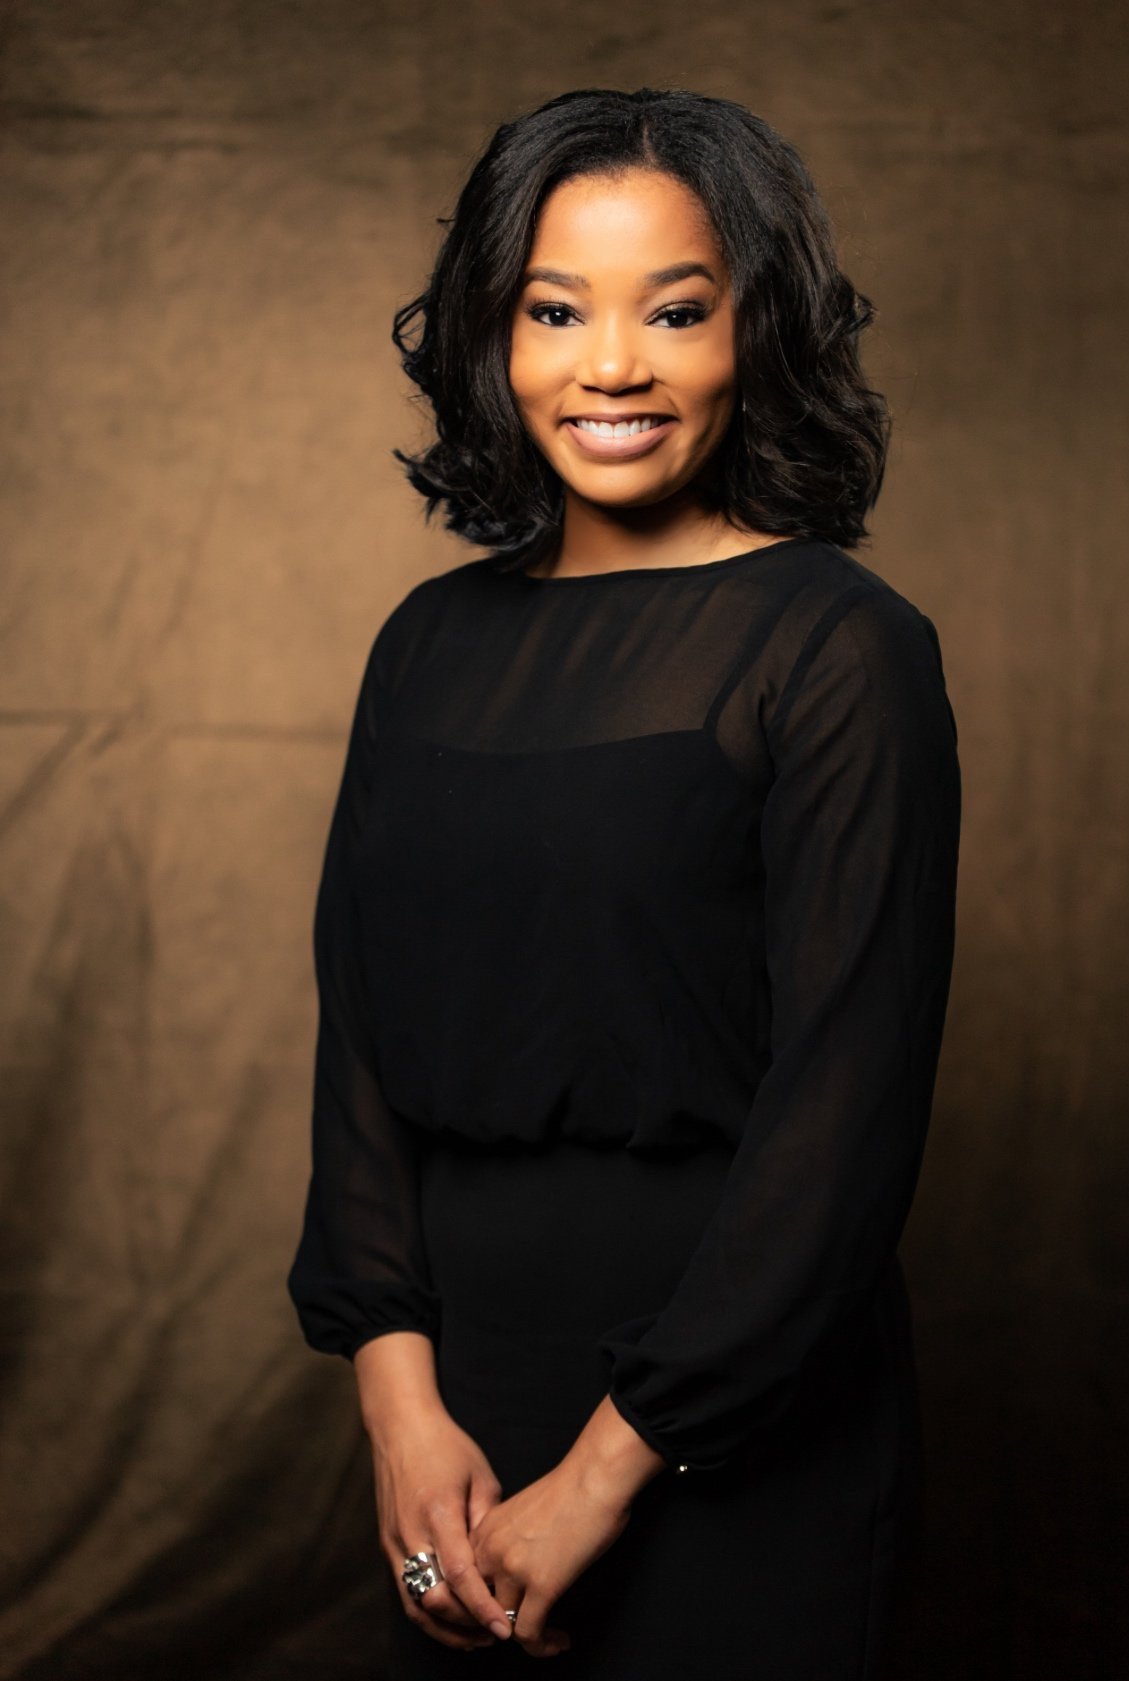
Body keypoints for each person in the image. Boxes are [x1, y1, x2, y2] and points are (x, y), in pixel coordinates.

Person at [286, 85, 960, 1680]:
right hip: (458, 1412)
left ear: (757, 331)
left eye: (674, 309)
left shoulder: (840, 648)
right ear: (491, 334)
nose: (610, 366)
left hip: (736, 1419)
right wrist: (398, 1407)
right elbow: (359, 1048)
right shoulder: (426, 646)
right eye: (554, 309)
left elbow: (844, 1118)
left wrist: (605, 1473)